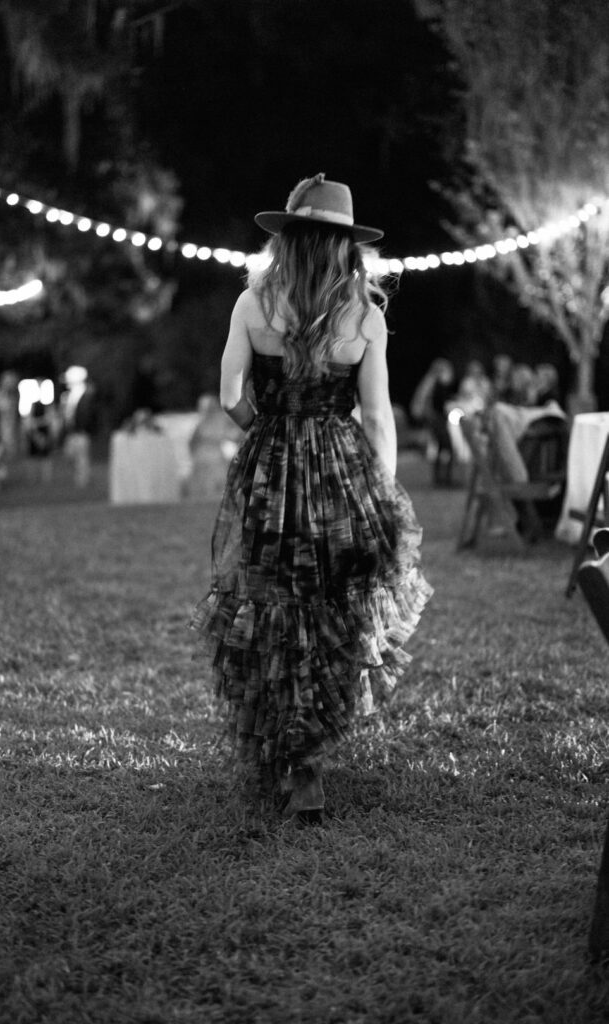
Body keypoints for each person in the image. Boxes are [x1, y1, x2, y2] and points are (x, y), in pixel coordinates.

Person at [190, 174, 432, 824]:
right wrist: (377, 492)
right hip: (341, 472)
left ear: (288, 242)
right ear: (346, 247)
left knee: (270, 598)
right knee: (333, 607)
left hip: (271, 468)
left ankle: (282, 750)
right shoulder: (366, 316)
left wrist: (268, 431)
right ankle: (309, 762)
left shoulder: (251, 305)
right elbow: (379, 419)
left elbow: (227, 393)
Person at [410, 357, 457, 485]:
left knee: (442, 448)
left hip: (434, 420)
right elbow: (440, 405)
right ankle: (445, 478)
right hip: (438, 420)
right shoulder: (437, 385)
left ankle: (439, 478)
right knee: (448, 448)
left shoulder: (430, 384)